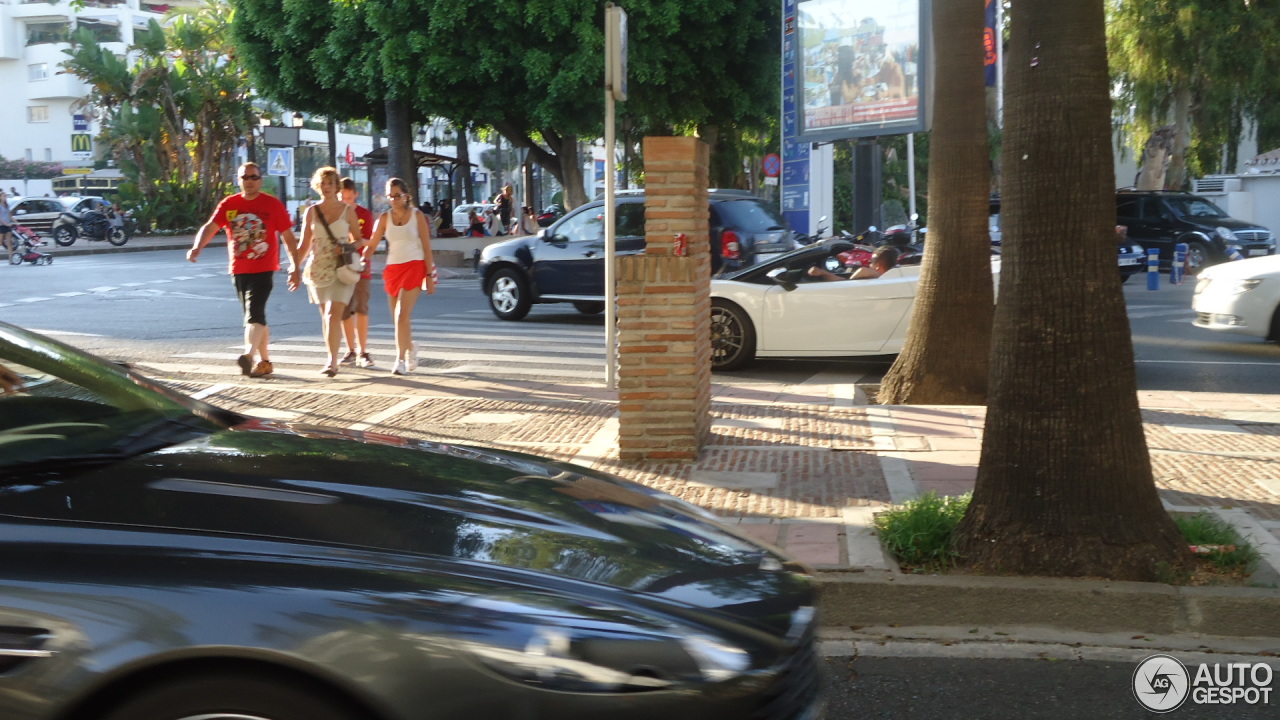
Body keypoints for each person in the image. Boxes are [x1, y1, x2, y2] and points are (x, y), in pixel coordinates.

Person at [189, 162, 300, 378]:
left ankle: (248, 355)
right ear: (238, 180)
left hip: (264, 268)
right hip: (239, 269)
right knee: (255, 317)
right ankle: (265, 361)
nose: (249, 181)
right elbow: (211, 227)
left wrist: (295, 266)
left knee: (254, 313)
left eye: (253, 177)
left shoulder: (272, 205)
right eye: (245, 177)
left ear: (260, 180)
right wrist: (197, 247)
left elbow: (288, 237)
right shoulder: (229, 204)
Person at [298, 166, 365, 377]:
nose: (326, 188)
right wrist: (293, 268)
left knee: (332, 314)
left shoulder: (348, 211)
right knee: (326, 317)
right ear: (317, 186)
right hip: (318, 268)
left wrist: (347, 247)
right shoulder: (311, 212)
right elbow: (304, 245)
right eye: (323, 184)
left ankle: (332, 362)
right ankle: (332, 356)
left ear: (337, 186)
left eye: (330, 183)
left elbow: (360, 239)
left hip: (341, 267)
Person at [368, 177, 436, 375]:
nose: (394, 199)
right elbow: (372, 243)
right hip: (393, 269)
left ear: (406, 196)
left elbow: (426, 245)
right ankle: (411, 348)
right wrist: (363, 257)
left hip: (414, 266)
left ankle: (400, 359)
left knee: (401, 315)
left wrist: (429, 275)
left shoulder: (417, 216)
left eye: (397, 195)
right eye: (390, 196)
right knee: (399, 319)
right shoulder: (384, 218)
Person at [339, 177, 376, 369]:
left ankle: (363, 350)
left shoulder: (364, 214)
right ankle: (350, 349)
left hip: (360, 265)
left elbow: (369, 240)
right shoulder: (335, 212)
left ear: (356, 195)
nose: (345, 200)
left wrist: (358, 244)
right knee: (344, 309)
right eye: (342, 196)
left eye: (348, 196)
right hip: (340, 266)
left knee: (361, 307)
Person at [808, 245, 899, 281]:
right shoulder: (896, 277)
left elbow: (845, 284)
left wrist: (822, 272)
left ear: (879, 266)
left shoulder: (869, 274)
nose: (869, 263)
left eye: (871, 261)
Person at [0, 189, 13, 258]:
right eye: (3, 196)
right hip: (1, 226)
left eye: (5, 196)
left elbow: (10, 215)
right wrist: (5, 223)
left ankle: (11, 258)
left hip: (7, 226)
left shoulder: (7, 205)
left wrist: (16, 222)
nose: (5, 197)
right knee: (1, 242)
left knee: (9, 242)